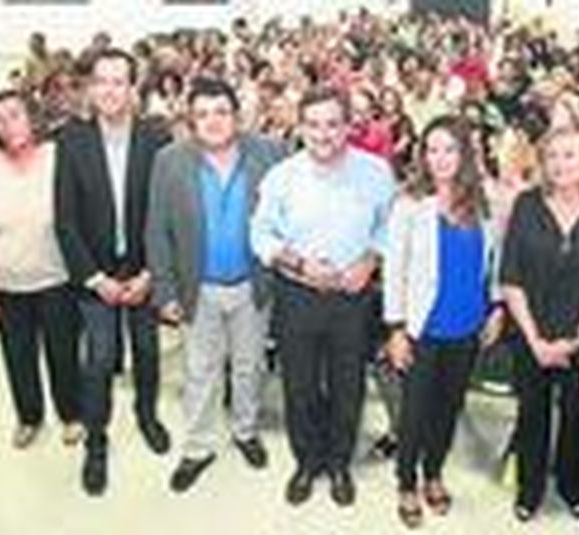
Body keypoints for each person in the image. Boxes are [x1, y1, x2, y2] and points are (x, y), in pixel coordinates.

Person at [251, 86, 396, 507]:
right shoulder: (282, 176)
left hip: (353, 297)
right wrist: (298, 264)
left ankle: (338, 463)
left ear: (348, 126)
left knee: (348, 385)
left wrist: (369, 261)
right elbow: (260, 233)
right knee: (299, 386)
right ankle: (307, 462)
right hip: (298, 295)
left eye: (333, 124)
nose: (323, 134)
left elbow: (389, 227)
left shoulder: (376, 172)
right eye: (313, 124)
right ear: (300, 127)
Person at [145, 78, 285, 492]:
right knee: (199, 371)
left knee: (249, 366)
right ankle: (198, 446)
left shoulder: (270, 153)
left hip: (253, 285)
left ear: (237, 116)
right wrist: (165, 291)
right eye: (202, 114)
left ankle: (245, 430)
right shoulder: (169, 161)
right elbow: (157, 230)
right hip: (198, 288)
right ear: (190, 121)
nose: (213, 121)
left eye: (221, 111)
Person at [55, 48, 175, 496]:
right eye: (101, 81)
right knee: (100, 359)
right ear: (90, 88)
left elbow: (165, 214)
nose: (109, 90)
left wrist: (151, 273)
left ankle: (147, 416)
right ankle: (97, 440)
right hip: (96, 273)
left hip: (144, 268)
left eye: (118, 81)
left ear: (133, 88)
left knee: (147, 351)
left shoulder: (156, 138)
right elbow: (65, 221)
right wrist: (95, 279)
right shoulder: (72, 140)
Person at [382, 115, 503, 528]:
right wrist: (396, 329)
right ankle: (406, 482)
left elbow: (494, 260)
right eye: (432, 149)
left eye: (449, 149)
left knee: (448, 409)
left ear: (465, 153)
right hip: (423, 329)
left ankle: (433, 472)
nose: (440, 158)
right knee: (415, 413)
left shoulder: (484, 202)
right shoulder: (409, 204)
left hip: (467, 327)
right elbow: (394, 269)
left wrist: (496, 308)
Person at [499, 126, 579, 521]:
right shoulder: (526, 205)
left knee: (578, 416)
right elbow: (511, 277)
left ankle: (573, 485)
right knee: (531, 413)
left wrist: (576, 340)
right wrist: (535, 340)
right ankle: (529, 489)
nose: (560, 164)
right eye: (552, 156)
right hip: (529, 332)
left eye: (569, 155)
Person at [0, 89, 84, 450]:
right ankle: (29, 417)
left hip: (56, 278)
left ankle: (71, 414)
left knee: (63, 353)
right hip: (7, 284)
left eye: (15, 115)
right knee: (18, 356)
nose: (7, 125)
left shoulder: (57, 156)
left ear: (32, 117)